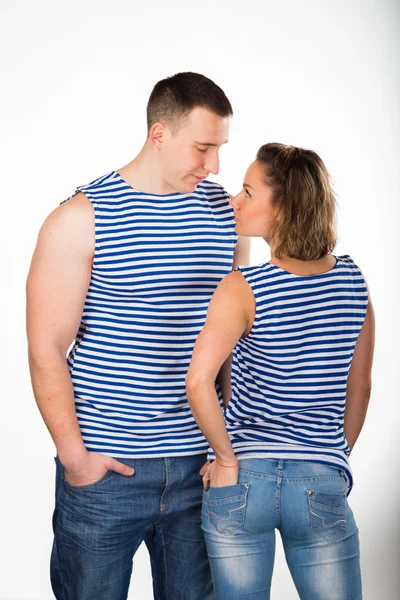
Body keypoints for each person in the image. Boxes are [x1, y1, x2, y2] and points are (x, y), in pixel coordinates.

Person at [26, 71, 250, 600]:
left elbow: (231, 343)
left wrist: (228, 450)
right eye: (202, 148)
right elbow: (46, 349)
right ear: (159, 134)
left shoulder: (224, 214)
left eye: (220, 148)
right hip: (108, 474)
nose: (214, 165)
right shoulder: (81, 218)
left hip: (201, 469)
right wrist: (76, 459)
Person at [186, 143, 375, 600]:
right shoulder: (353, 281)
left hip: (242, 478)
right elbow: (360, 385)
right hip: (320, 479)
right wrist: (331, 456)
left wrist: (226, 458)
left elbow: (197, 382)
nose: (235, 201)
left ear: (283, 208)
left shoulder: (242, 287)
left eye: (248, 193)